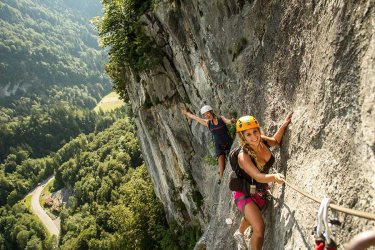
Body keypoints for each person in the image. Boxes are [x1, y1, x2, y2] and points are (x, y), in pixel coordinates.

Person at [232, 111, 293, 250]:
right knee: (259, 229)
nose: (254, 136)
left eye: (255, 131)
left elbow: (276, 141)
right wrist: (275, 177)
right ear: (242, 136)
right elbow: (257, 176)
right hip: (244, 192)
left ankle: (239, 233)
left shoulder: (262, 141)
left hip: (259, 190)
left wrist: (284, 125)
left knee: (251, 215)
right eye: (248, 134)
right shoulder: (243, 156)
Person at [181, 105, 235, 182]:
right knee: (222, 168)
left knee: (233, 162)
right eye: (205, 115)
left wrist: (231, 121)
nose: (206, 116)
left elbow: (228, 121)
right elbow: (196, 118)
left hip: (228, 143)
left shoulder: (220, 119)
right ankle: (224, 183)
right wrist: (186, 113)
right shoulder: (208, 123)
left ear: (211, 111)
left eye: (207, 113)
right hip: (218, 146)